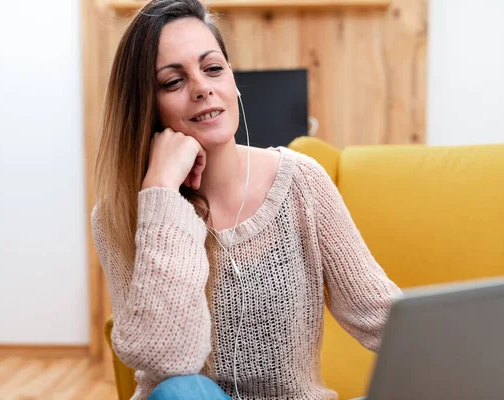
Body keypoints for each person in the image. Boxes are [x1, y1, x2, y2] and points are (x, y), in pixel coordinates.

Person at [90, 0, 402, 399]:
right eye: (173, 81)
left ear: (233, 79)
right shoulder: (120, 215)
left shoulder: (300, 182)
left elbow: (380, 316)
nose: (203, 87)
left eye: (213, 68)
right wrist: (162, 194)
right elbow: (166, 359)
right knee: (183, 390)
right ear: (145, 107)